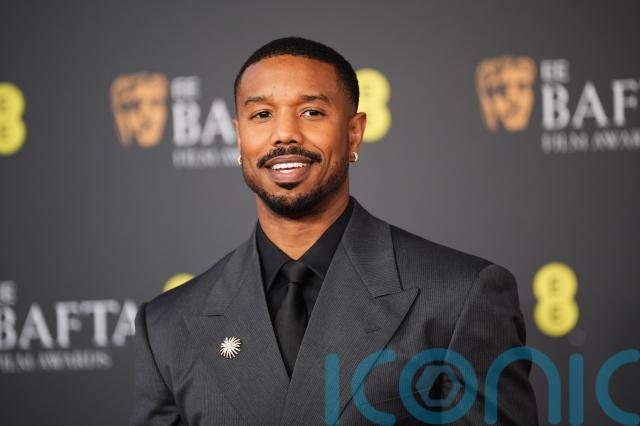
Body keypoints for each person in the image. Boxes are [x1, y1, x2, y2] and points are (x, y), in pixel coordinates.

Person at [130, 37, 538, 425]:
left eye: (311, 112)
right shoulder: (167, 325)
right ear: (239, 136)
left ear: (353, 132)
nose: (284, 134)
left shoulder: (460, 296)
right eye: (261, 115)